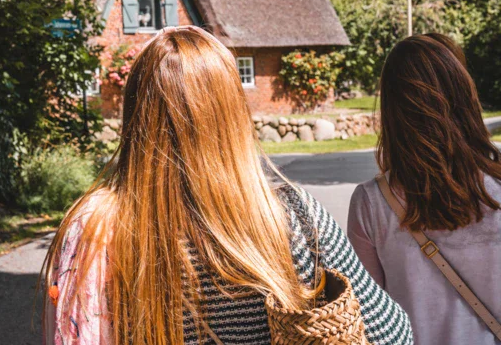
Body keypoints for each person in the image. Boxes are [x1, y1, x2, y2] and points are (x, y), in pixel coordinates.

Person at [43, 26, 413, 345]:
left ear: (135, 114)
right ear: (233, 113)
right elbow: (393, 335)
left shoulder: (95, 229)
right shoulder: (291, 217)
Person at [348, 34, 501, 345]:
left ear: (392, 109)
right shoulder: (497, 181)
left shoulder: (372, 203)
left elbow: (366, 320)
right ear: (465, 96)